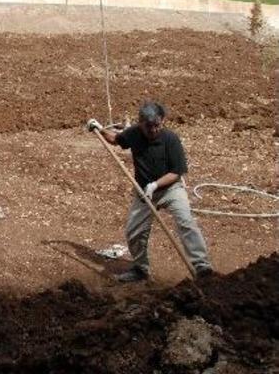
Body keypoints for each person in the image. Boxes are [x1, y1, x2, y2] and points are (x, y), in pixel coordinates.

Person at [88, 101, 214, 283]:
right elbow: (116, 140)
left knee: (186, 223)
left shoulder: (171, 139)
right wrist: (99, 129)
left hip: (171, 189)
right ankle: (140, 269)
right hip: (143, 191)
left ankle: (202, 267)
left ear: (162, 121)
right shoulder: (134, 134)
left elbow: (176, 172)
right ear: (140, 123)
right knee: (134, 232)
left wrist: (155, 185)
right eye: (149, 127)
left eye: (157, 125)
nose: (153, 130)